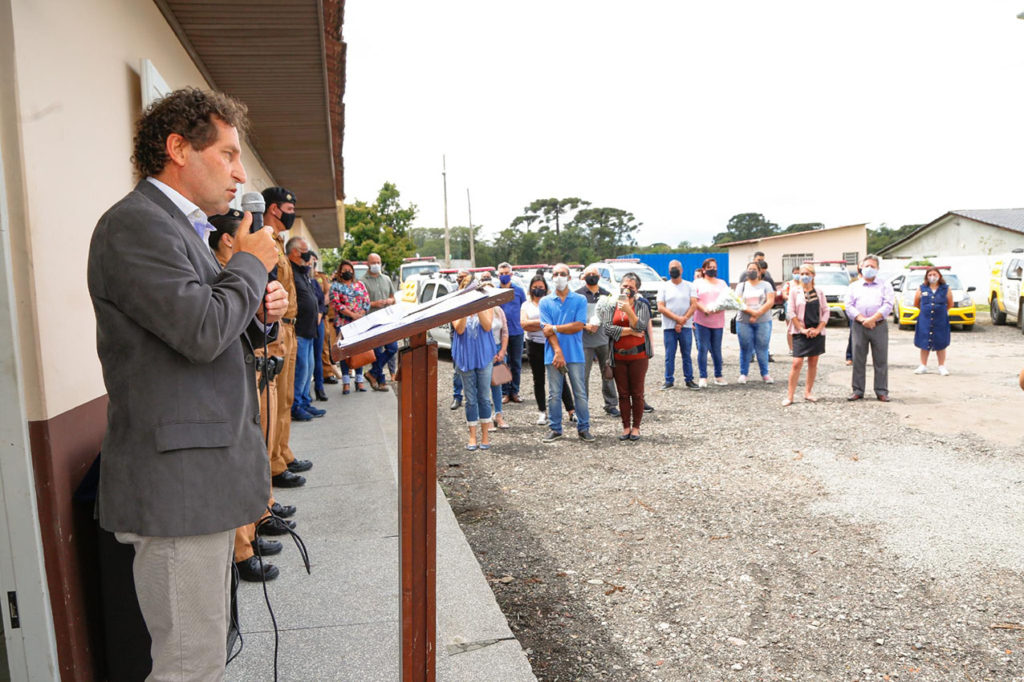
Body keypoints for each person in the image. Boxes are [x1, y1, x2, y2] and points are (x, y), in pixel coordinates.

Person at [87, 88, 291, 677]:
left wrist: (259, 313)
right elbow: (201, 331)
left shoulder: (176, 227)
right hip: (176, 487)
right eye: (228, 154)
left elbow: (204, 328)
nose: (240, 173)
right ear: (178, 149)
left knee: (201, 656)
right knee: (188, 665)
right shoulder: (136, 225)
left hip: (197, 478)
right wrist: (249, 264)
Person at [208, 211, 287, 582]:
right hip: (234, 376)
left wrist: (267, 315)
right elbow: (216, 325)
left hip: (255, 362)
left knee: (263, 444)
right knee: (242, 458)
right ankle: (242, 549)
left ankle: (259, 519)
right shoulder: (225, 271)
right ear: (229, 239)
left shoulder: (240, 270)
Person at [263, 185, 312, 490]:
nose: (293, 214)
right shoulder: (264, 240)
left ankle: (282, 452)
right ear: (274, 209)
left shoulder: (279, 242)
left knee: (286, 398)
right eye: (289, 209)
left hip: (290, 328)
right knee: (274, 400)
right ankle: (274, 465)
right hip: (277, 329)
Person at [539, 263, 594, 443]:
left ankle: (584, 428)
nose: (559, 277)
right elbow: (546, 331)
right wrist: (558, 351)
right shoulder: (545, 302)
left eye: (562, 274)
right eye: (555, 274)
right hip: (553, 354)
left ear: (569, 277)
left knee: (580, 393)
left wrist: (555, 328)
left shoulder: (579, 300)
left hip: (575, 353)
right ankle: (555, 428)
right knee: (554, 394)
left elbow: (578, 325)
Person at [600, 273, 652, 441]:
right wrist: (630, 331)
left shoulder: (642, 305)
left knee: (637, 393)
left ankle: (636, 427)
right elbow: (607, 328)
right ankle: (625, 427)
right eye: (624, 286)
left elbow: (641, 326)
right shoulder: (611, 305)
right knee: (622, 394)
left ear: (637, 289)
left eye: (631, 287)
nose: (627, 289)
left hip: (638, 356)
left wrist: (629, 311)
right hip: (618, 357)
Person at [521, 274, 575, 426]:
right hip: (534, 345)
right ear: (530, 288)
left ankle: (571, 410)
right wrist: (545, 323)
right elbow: (524, 324)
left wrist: (537, 324)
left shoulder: (552, 302)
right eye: (535, 287)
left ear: (546, 288)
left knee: (560, 377)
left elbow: (557, 322)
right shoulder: (526, 305)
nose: (538, 289)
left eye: (541, 287)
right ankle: (542, 412)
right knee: (538, 379)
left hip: (552, 343)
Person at [451, 272, 496, 450]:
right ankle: (472, 436)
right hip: (465, 356)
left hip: (483, 355)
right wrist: (465, 307)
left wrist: (477, 305)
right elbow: (459, 329)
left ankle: (485, 435)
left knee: (484, 397)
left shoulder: (486, 303)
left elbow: (487, 325)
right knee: (470, 398)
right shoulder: (456, 305)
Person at [846, 255, 895, 401]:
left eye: (872, 266)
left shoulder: (885, 285)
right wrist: (862, 319)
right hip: (859, 325)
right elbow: (848, 305)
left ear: (878, 269)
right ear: (861, 267)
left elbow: (888, 304)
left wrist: (873, 319)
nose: (869, 269)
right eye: (866, 266)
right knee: (858, 359)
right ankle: (857, 390)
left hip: (878, 325)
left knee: (881, 359)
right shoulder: (854, 286)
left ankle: (881, 391)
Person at [287, 237, 326, 421]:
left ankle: (304, 401)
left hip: (309, 330)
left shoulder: (304, 273)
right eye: (305, 250)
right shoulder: (289, 272)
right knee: (301, 369)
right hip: (299, 330)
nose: (308, 255)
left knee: (308, 369)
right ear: (295, 252)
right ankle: (296, 405)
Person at [577, 264, 620, 416]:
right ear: (584, 277)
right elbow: (572, 318)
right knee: (583, 376)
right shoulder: (577, 295)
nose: (591, 276)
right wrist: (585, 326)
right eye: (588, 274)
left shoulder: (607, 295)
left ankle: (611, 404)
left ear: (599, 277)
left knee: (608, 373)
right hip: (584, 342)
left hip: (604, 340)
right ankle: (582, 406)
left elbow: (613, 317)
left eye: (594, 274)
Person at [784, 264, 829, 406]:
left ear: (813, 275)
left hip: (816, 332)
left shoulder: (819, 292)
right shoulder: (794, 291)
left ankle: (808, 392)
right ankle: (790, 396)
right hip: (800, 332)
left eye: (807, 273)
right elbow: (791, 311)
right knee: (797, 363)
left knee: (813, 361)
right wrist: (802, 329)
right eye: (802, 273)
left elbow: (825, 311)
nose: (804, 276)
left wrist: (819, 329)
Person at [329, 259, 371, 393]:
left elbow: (367, 301)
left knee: (359, 350)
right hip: (343, 324)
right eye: (344, 270)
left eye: (349, 270)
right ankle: (346, 382)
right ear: (340, 272)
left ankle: (359, 381)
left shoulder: (360, 285)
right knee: (344, 352)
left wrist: (361, 313)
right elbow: (336, 304)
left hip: (359, 323)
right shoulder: (335, 286)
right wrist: (352, 315)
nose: (347, 272)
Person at [657, 259, 698, 390]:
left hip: (686, 326)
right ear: (668, 271)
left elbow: (694, 305)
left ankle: (689, 379)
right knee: (669, 355)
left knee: (686, 355)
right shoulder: (663, 287)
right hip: (669, 327)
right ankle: (668, 380)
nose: (673, 270)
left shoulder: (690, 286)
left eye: (676, 268)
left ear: (681, 270)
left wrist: (683, 319)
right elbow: (660, 307)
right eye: (671, 268)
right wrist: (677, 319)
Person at [478, 273, 511, 429]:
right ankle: (486, 418)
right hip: (484, 351)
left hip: (498, 350)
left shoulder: (498, 310)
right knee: (484, 386)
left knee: (497, 385)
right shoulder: (478, 311)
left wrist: (503, 351)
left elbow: (505, 332)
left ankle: (498, 415)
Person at [736, 261, 776, 384]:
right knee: (745, 347)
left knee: (762, 347)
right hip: (744, 321)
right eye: (749, 269)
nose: (751, 271)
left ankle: (765, 374)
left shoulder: (766, 285)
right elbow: (738, 302)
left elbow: (770, 301)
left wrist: (758, 314)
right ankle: (743, 373)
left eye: (754, 269)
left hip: (763, 320)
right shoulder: (741, 286)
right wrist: (752, 313)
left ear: (759, 272)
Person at [362, 252, 397, 391]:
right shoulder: (362, 282)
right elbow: (361, 303)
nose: (376, 265)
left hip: (387, 320)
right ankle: (381, 381)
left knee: (392, 348)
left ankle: (372, 373)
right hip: (372, 321)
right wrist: (374, 303)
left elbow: (393, 298)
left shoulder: (387, 279)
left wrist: (389, 301)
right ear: (368, 264)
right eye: (373, 262)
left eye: (378, 262)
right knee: (377, 352)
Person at [692, 257, 729, 387]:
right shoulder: (697, 283)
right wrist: (704, 309)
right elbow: (694, 300)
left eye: (714, 267)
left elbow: (728, 299)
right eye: (709, 267)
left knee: (716, 349)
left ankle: (718, 375)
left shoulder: (722, 283)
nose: (712, 269)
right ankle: (703, 376)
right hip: (701, 320)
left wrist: (719, 308)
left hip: (718, 321)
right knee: (702, 348)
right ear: (704, 269)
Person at [912, 267, 953, 375]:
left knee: (941, 342)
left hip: (940, 320)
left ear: (939, 276)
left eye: (935, 274)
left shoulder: (946, 288)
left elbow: (950, 304)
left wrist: (940, 310)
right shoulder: (922, 288)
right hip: (925, 320)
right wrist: (926, 310)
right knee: (924, 342)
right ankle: (923, 365)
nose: (932, 277)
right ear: (926, 277)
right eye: (930, 275)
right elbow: (916, 303)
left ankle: (941, 366)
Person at [496, 262, 526, 404]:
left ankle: (515, 391)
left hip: (516, 332)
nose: (504, 276)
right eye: (501, 274)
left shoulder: (519, 291)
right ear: (498, 275)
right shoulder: (494, 292)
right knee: (501, 363)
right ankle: (504, 392)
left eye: (506, 273)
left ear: (511, 274)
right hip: (500, 334)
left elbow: (524, 308)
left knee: (516, 363)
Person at [309, 252, 330, 401]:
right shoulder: (298, 279)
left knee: (318, 355)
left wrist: (320, 314)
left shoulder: (316, 281)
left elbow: (323, 301)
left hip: (319, 322)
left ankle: (319, 387)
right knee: (306, 360)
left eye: (313, 262)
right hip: (305, 324)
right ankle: (305, 394)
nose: (311, 265)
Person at [780, 266, 801, 354]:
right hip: (789, 308)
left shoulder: (804, 284)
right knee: (790, 329)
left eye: (798, 273)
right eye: (795, 273)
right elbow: (784, 295)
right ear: (792, 274)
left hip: (801, 309)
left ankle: (800, 348)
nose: (797, 275)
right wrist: (792, 298)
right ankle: (791, 348)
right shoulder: (788, 284)